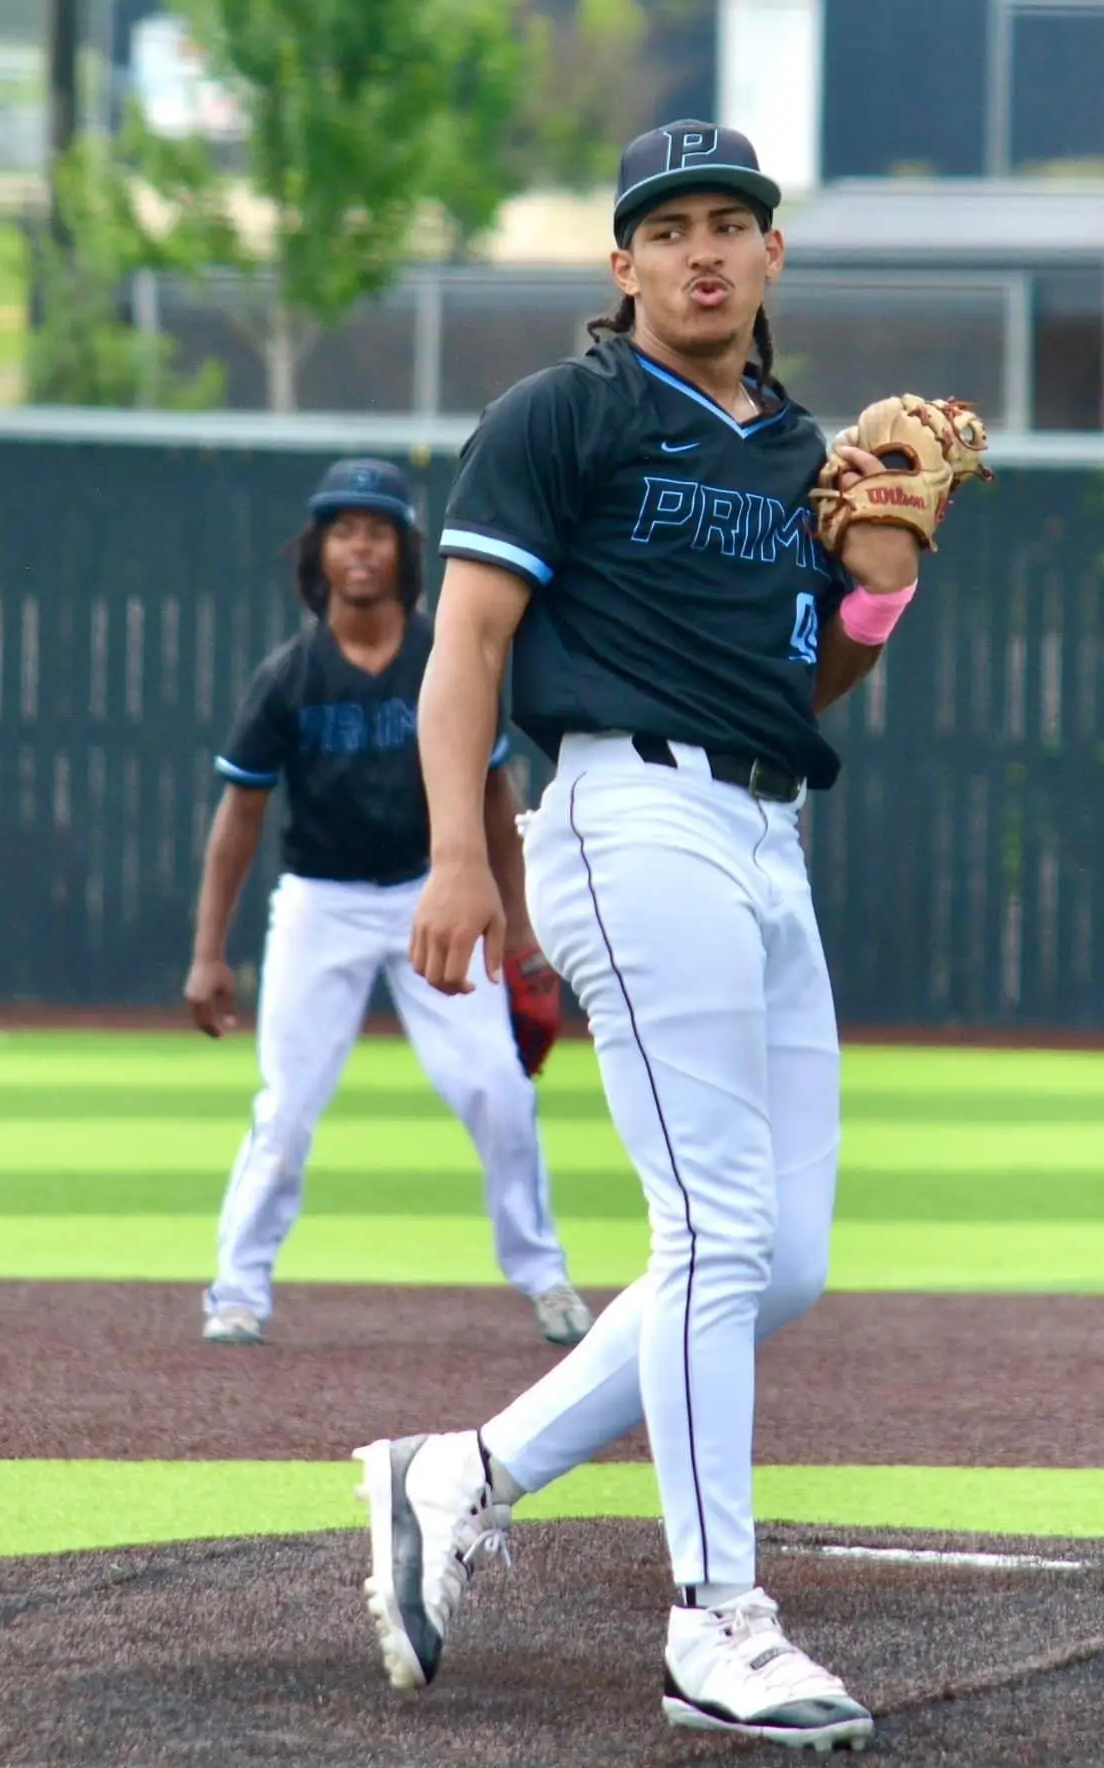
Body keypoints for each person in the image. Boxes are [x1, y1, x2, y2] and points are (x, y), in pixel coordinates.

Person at [354, 122, 980, 1753]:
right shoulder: (564, 415)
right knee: (711, 1223)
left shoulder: (804, 456)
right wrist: (457, 855)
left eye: (730, 222)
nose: (703, 249)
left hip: (766, 832)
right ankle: (713, 1620)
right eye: (670, 226)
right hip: (625, 814)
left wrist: (883, 578)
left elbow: (810, 679)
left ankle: (464, 1470)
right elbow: (466, 643)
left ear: (774, 255)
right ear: (621, 263)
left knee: (780, 1257)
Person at [184, 458, 593, 1351]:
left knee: (498, 1089)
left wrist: (521, 929)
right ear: (318, 551)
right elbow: (239, 817)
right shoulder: (289, 676)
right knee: (286, 1109)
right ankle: (237, 1290)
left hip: (429, 893)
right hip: (321, 902)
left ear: (404, 552)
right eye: (343, 530)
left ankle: (545, 1276)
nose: (360, 547)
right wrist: (210, 951)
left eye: (377, 531)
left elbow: (496, 796)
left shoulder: (442, 662)